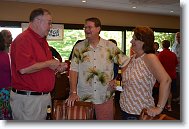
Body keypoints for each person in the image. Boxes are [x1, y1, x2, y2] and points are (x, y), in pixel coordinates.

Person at [66, 17, 130, 120]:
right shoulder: (79, 47)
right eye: (85, 27)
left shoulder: (110, 46)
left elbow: (126, 62)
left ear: (98, 29)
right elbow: (73, 70)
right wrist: (73, 92)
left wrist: (117, 79)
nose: (86, 30)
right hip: (83, 95)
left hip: (104, 95)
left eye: (90, 27)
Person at [10, 8, 67, 120]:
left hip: (41, 98)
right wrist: (48, 63)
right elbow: (24, 69)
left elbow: (43, 66)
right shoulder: (24, 40)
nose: (51, 26)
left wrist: (57, 67)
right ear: (37, 21)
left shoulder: (42, 41)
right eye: (49, 23)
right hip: (29, 99)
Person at [120, 26, 171, 120]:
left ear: (144, 41)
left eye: (134, 39)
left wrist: (159, 108)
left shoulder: (149, 57)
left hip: (140, 112)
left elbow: (166, 80)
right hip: (125, 108)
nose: (131, 41)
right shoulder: (132, 58)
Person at [158, 40, 178, 111]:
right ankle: (168, 105)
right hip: (173, 75)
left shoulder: (161, 54)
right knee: (170, 91)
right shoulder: (173, 54)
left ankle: (163, 106)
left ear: (162, 45)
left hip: (164, 76)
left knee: (164, 91)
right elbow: (176, 63)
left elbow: (158, 65)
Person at [0, 32, 12, 120]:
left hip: (11, 89)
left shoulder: (9, 54)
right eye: (8, 37)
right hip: (3, 90)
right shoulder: (2, 55)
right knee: (4, 115)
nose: (11, 38)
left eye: (11, 36)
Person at [171, 32, 180, 103]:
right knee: (177, 84)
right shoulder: (174, 45)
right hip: (174, 68)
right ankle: (178, 97)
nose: (178, 38)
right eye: (177, 37)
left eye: (179, 37)